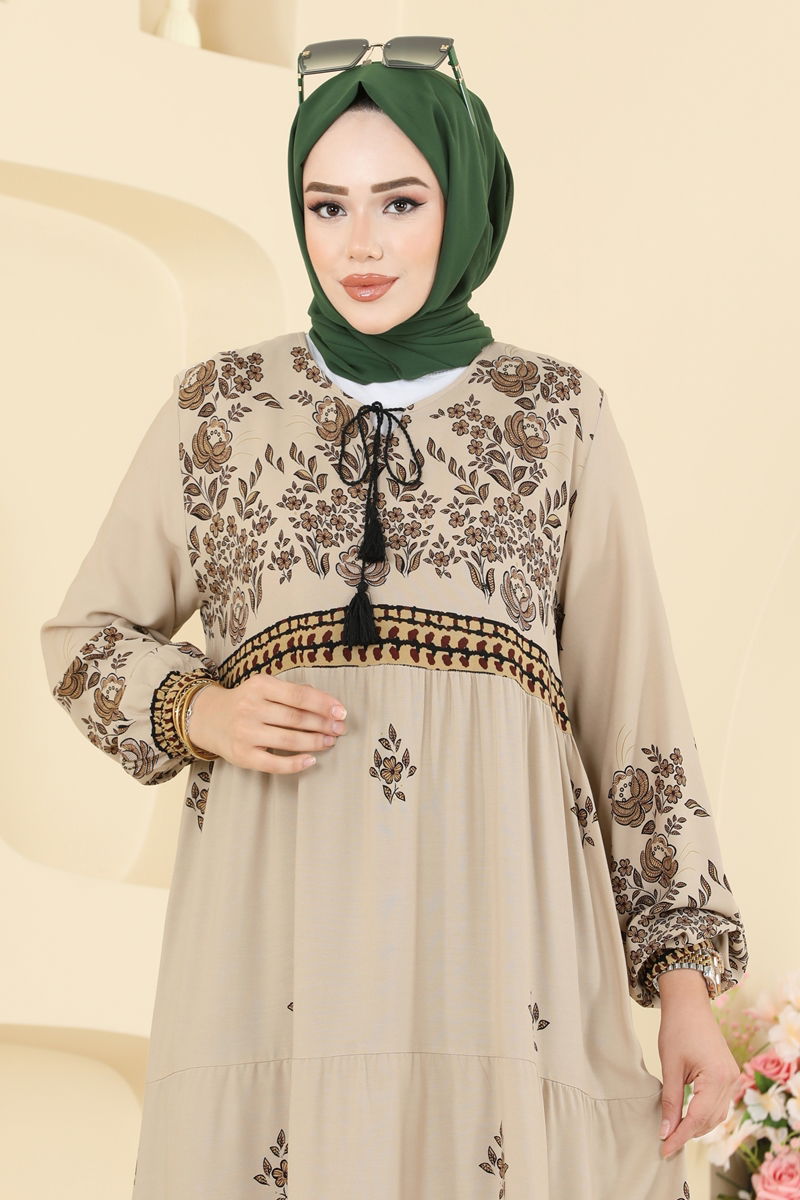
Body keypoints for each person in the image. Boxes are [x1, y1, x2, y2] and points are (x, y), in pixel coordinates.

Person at [40, 47, 749, 1199]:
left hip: (504, 948)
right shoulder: (219, 409)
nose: (358, 243)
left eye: (399, 202)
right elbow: (85, 640)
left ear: (462, 203)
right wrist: (200, 709)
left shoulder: (555, 415)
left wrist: (684, 992)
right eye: (327, 206)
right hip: (277, 939)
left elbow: (633, 711)